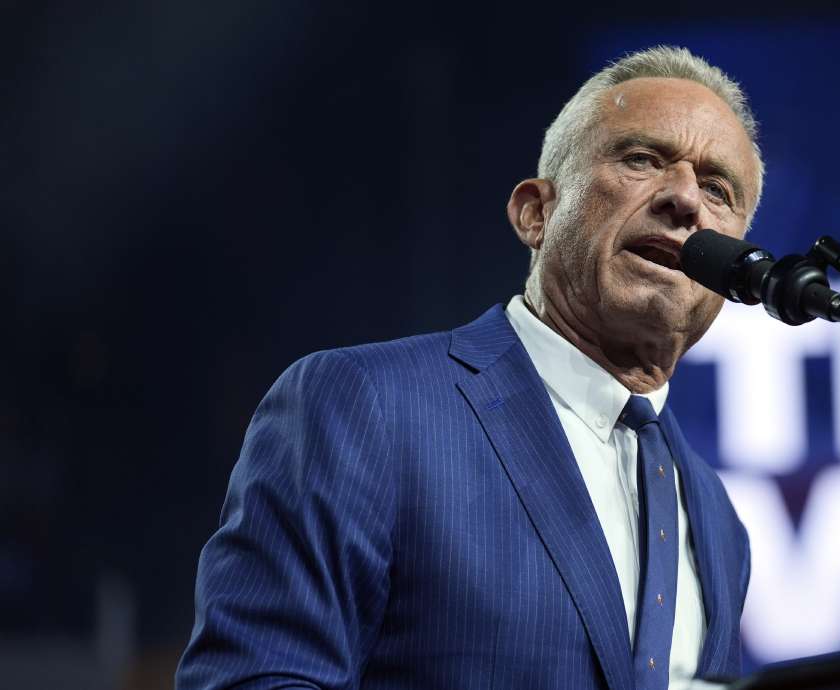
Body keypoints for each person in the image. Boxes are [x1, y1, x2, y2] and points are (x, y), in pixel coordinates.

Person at [177, 45, 762, 690]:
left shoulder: (715, 515)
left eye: (717, 189)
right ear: (536, 213)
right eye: (642, 159)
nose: (684, 199)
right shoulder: (365, 405)